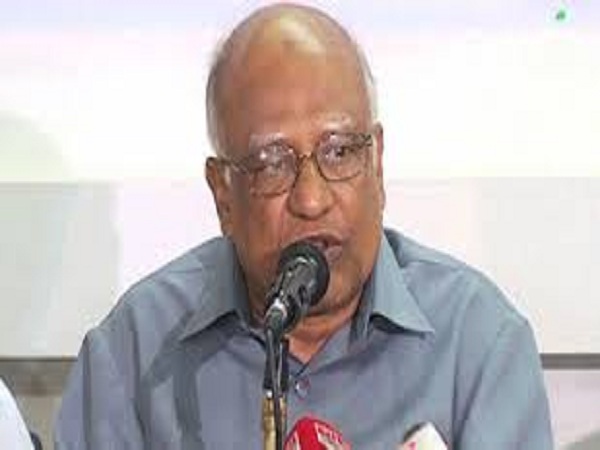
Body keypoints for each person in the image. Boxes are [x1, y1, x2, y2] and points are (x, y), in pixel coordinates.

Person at [55, 4, 553, 449]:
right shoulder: (134, 352)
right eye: (272, 163)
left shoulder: (478, 343)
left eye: (339, 152)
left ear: (377, 164)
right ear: (223, 194)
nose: (311, 200)